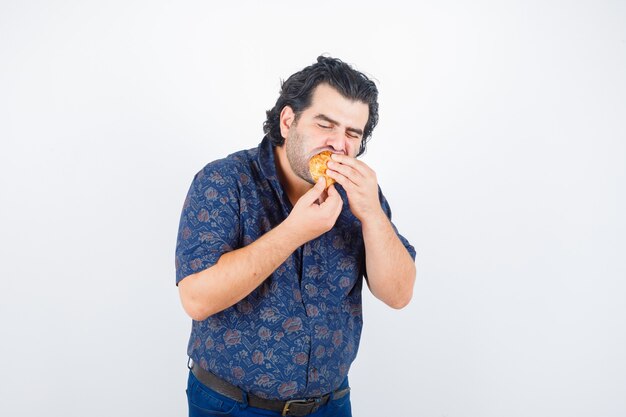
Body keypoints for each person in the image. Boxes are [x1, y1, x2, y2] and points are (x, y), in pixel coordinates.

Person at [175, 56, 416, 417]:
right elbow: (196, 299)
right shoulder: (225, 181)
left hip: (330, 404)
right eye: (326, 125)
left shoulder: (361, 194)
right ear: (288, 121)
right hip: (231, 406)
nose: (339, 144)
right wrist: (293, 232)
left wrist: (371, 214)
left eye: (353, 133)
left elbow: (398, 294)